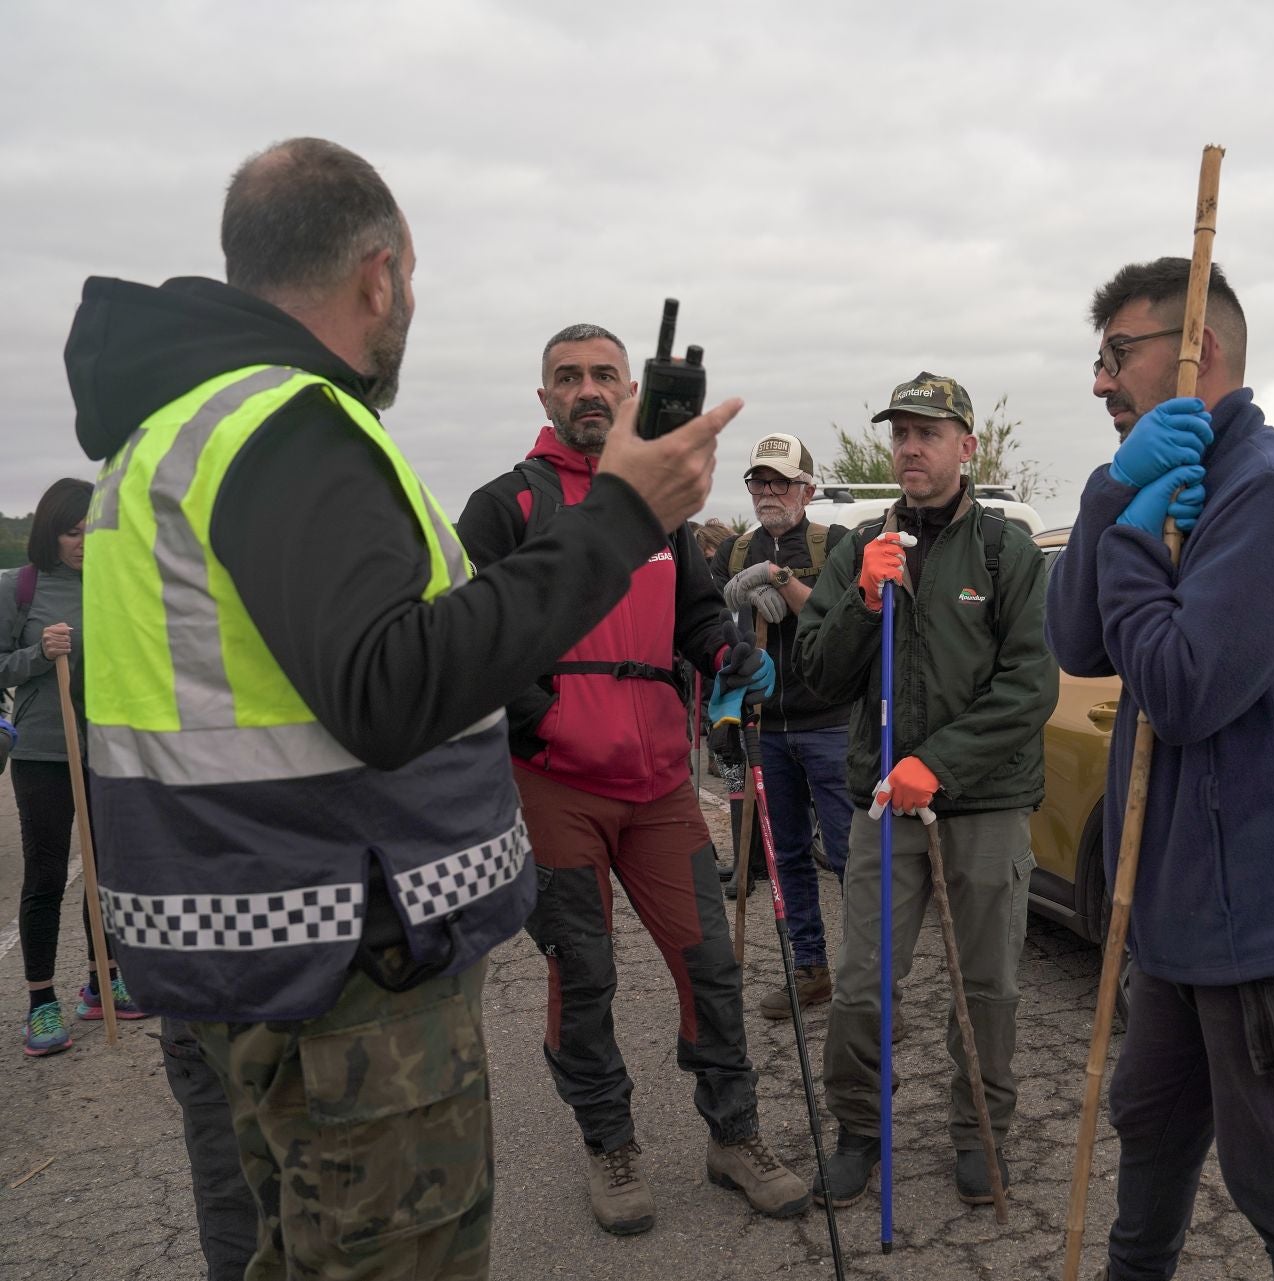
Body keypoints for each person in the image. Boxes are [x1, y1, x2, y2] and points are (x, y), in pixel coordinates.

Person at [65, 137, 738, 1278]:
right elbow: (390, 686)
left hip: (251, 954)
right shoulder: (284, 425)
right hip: (342, 983)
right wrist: (621, 518)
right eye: (410, 285)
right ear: (380, 274)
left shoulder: (176, 431)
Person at [1045, 259, 1274, 1281]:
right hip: (1180, 915)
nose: (1101, 382)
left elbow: (1187, 688)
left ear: (1200, 351)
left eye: (1118, 355)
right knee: (1149, 1133)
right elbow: (1077, 642)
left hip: (1272, 925)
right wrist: (1116, 496)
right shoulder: (1159, 481)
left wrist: (1137, 551)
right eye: (1096, 360)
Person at [456, 324, 808, 1234]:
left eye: (605, 375)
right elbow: (473, 641)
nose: (588, 390)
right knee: (584, 972)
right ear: (543, 398)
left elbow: (695, 611)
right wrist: (552, 719)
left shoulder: (661, 511)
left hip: (658, 785)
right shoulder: (505, 506)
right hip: (553, 783)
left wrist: (729, 651)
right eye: (568, 377)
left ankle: (734, 1137)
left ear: (631, 394)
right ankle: (609, 1146)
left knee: (713, 966)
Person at [796, 372, 1057, 1207]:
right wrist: (862, 599)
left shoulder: (1004, 551)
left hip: (980, 803)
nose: (911, 446)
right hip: (883, 806)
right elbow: (817, 672)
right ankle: (859, 1130)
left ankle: (981, 1130)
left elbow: (1030, 686)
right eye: (901, 432)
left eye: (929, 432)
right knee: (864, 981)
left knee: (986, 985)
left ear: (966, 447)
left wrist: (937, 763)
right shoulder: (858, 546)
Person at [708, 433, 855, 1020]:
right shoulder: (734, 551)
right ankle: (811, 970)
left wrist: (783, 582)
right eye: (759, 482)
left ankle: (869, 982)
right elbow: (712, 620)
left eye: (781, 482)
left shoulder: (835, 543)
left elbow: (840, 622)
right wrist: (736, 596)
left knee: (850, 858)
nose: (769, 493)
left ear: (807, 489)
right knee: (786, 856)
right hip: (764, 726)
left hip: (830, 725)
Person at [3, 477, 145, 1058]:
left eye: (93, 530)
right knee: (45, 874)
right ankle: (41, 1003)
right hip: (42, 752)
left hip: (104, 748)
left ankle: (102, 977)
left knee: (104, 869)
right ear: (49, 532)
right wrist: (39, 655)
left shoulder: (114, 588)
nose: (83, 543)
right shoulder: (20, 589)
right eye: (71, 531)